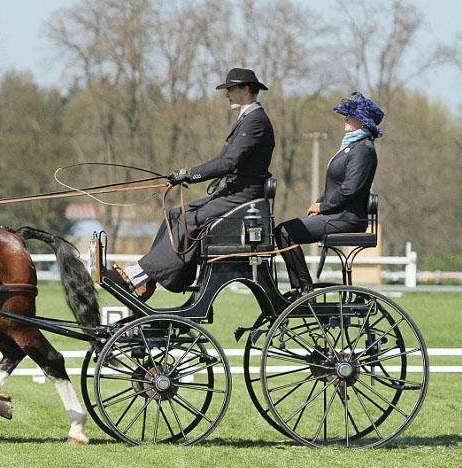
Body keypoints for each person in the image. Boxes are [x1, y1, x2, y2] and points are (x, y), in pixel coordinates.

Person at [108, 67, 275, 300]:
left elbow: (228, 162)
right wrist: (186, 174)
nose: (227, 95)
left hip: (243, 196)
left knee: (186, 218)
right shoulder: (247, 119)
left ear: (246, 89)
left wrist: (187, 174)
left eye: (231, 90)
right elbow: (223, 161)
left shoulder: (255, 121)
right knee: (177, 214)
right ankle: (148, 280)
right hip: (233, 192)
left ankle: (137, 276)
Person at [274, 91, 384, 296]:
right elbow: (335, 185)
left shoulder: (363, 150)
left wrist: (322, 207)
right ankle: (302, 287)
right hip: (336, 214)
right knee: (285, 230)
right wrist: (319, 203)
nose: (345, 119)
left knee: (284, 232)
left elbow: (350, 189)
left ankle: (304, 289)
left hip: (347, 218)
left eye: (350, 116)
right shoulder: (351, 147)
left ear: (362, 122)